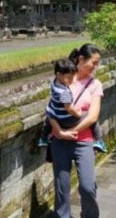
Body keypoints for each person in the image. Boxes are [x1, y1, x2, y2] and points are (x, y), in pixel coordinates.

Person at [49, 44, 104, 218]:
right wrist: (59, 132)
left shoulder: (95, 84)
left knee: (88, 187)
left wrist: (71, 131)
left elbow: (93, 116)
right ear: (80, 60)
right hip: (60, 140)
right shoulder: (64, 80)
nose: (96, 67)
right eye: (93, 63)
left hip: (84, 141)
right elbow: (50, 109)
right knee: (61, 187)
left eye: (97, 64)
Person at [38, 59, 106, 153]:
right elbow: (69, 108)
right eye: (69, 78)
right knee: (91, 118)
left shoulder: (54, 84)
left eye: (72, 77)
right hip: (67, 119)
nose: (71, 80)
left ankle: (43, 138)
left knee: (48, 118)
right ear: (58, 75)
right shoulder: (64, 92)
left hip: (55, 115)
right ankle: (99, 140)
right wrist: (77, 113)